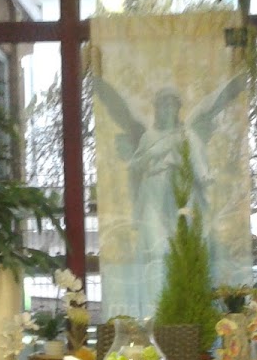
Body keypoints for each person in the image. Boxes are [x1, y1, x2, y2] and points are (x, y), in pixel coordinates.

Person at [94, 73, 246, 313]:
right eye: (163, 105)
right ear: (157, 109)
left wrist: (204, 176)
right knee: (156, 250)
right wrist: (155, 153)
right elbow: (135, 165)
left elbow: (198, 163)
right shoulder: (149, 137)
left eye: (171, 105)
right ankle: (155, 308)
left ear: (177, 109)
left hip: (180, 197)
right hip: (154, 196)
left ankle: (178, 309)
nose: (167, 109)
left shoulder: (188, 135)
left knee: (180, 251)